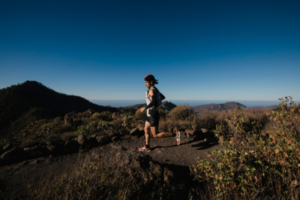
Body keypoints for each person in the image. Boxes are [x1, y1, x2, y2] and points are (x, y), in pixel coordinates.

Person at [138, 74, 180, 152]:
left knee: (155, 135)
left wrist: (145, 107)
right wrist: (157, 99)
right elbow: (163, 97)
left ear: (151, 82)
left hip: (152, 114)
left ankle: (175, 134)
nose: (145, 84)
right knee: (146, 129)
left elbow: (153, 102)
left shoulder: (152, 90)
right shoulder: (155, 89)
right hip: (150, 114)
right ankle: (147, 147)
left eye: (146, 82)